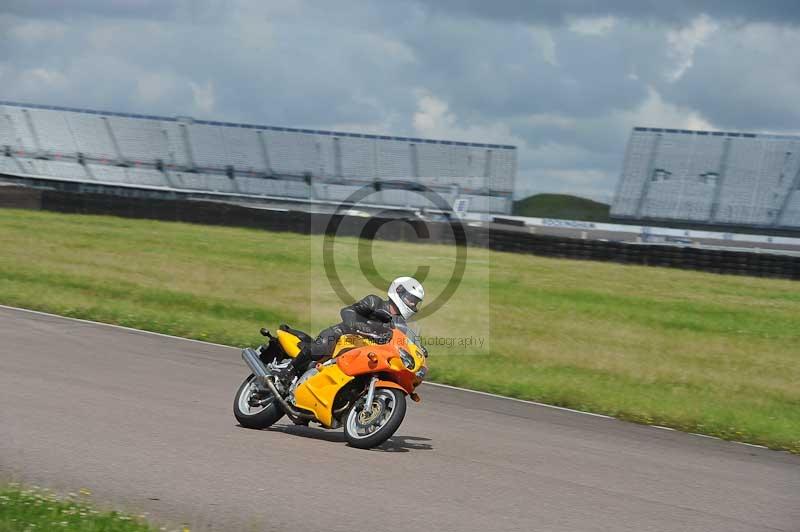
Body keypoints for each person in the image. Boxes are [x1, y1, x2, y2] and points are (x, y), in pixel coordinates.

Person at [277, 276, 424, 378]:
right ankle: (288, 371)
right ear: (399, 291)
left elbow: (404, 340)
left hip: (367, 350)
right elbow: (348, 311)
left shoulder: (400, 324)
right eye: (411, 299)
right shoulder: (374, 302)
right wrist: (357, 325)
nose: (413, 304)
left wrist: (418, 349)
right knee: (320, 348)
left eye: (415, 302)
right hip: (343, 334)